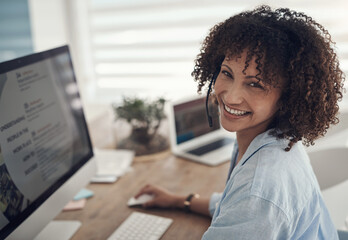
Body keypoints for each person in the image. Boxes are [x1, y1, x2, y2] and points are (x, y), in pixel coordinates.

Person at [135, 5, 345, 239]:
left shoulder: (260, 189)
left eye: (255, 84)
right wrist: (183, 201)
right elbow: (236, 206)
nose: (231, 96)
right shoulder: (274, 138)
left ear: (288, 95)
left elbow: (251, 204)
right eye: (227, 73)